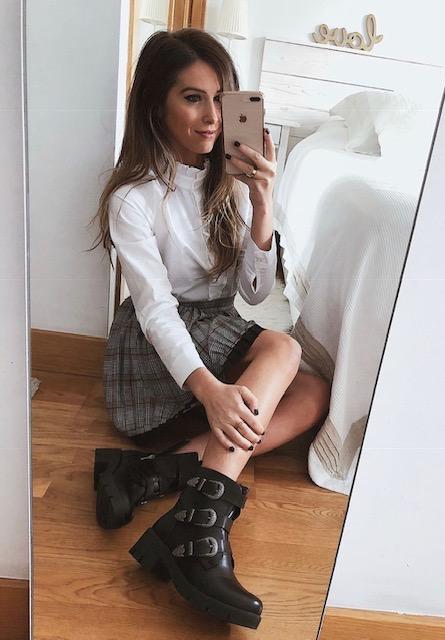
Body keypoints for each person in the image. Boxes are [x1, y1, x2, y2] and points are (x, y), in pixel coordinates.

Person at [89, 28, 331, 629]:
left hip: (216, 330)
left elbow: (254, 293)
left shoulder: (233, 180)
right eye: (193, 98)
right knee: (281, 347)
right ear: (157, 105)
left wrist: (263, 202)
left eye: (221, 99)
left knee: (312, 393)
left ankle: (154, 476)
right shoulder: (133, 197)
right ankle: (200, 532)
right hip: (159, 356)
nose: (212, 117)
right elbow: (155, 310)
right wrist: (211, 390)